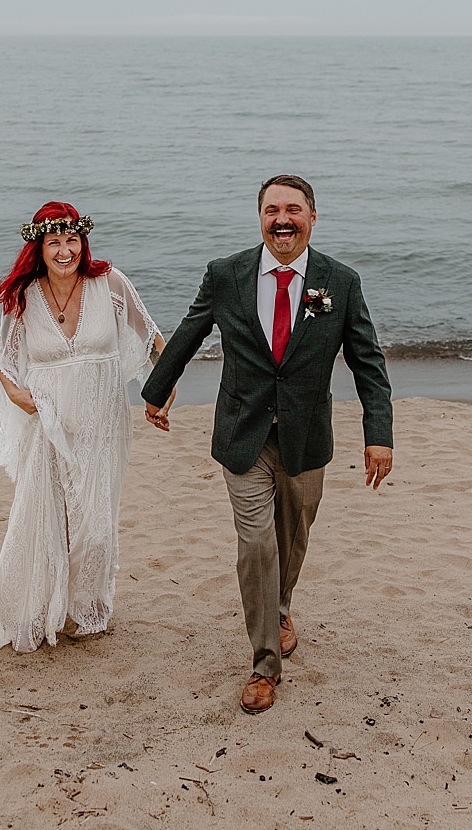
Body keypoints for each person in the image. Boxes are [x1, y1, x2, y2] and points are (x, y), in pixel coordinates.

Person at [141, 175, 393, 713]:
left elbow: (368, 362)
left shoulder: (340, 282)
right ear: (259, 217)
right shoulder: (226, 275)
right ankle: (263, 665)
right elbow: (189, 333)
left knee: (292, 537)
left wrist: (379, 436)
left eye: (294, 210)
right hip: (242, 431)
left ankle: (279, 607)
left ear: (313, 217)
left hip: (306, 437)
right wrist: (157, 391)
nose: (283, 218)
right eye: (273, 209)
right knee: (257, 543)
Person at [0, 202, 169, 654]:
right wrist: (22, 398)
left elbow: (154, 339)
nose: (64, 251)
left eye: (71, 240)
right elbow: (3, 358)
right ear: (38, 248)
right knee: (48, 516)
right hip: (48, 421)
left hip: (103, 421)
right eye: (54, 242)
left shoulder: (110, 284)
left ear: (83, 242)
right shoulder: (24, 297)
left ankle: (85, 608)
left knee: (95, 520)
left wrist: (162, 392)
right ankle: (46, 604)